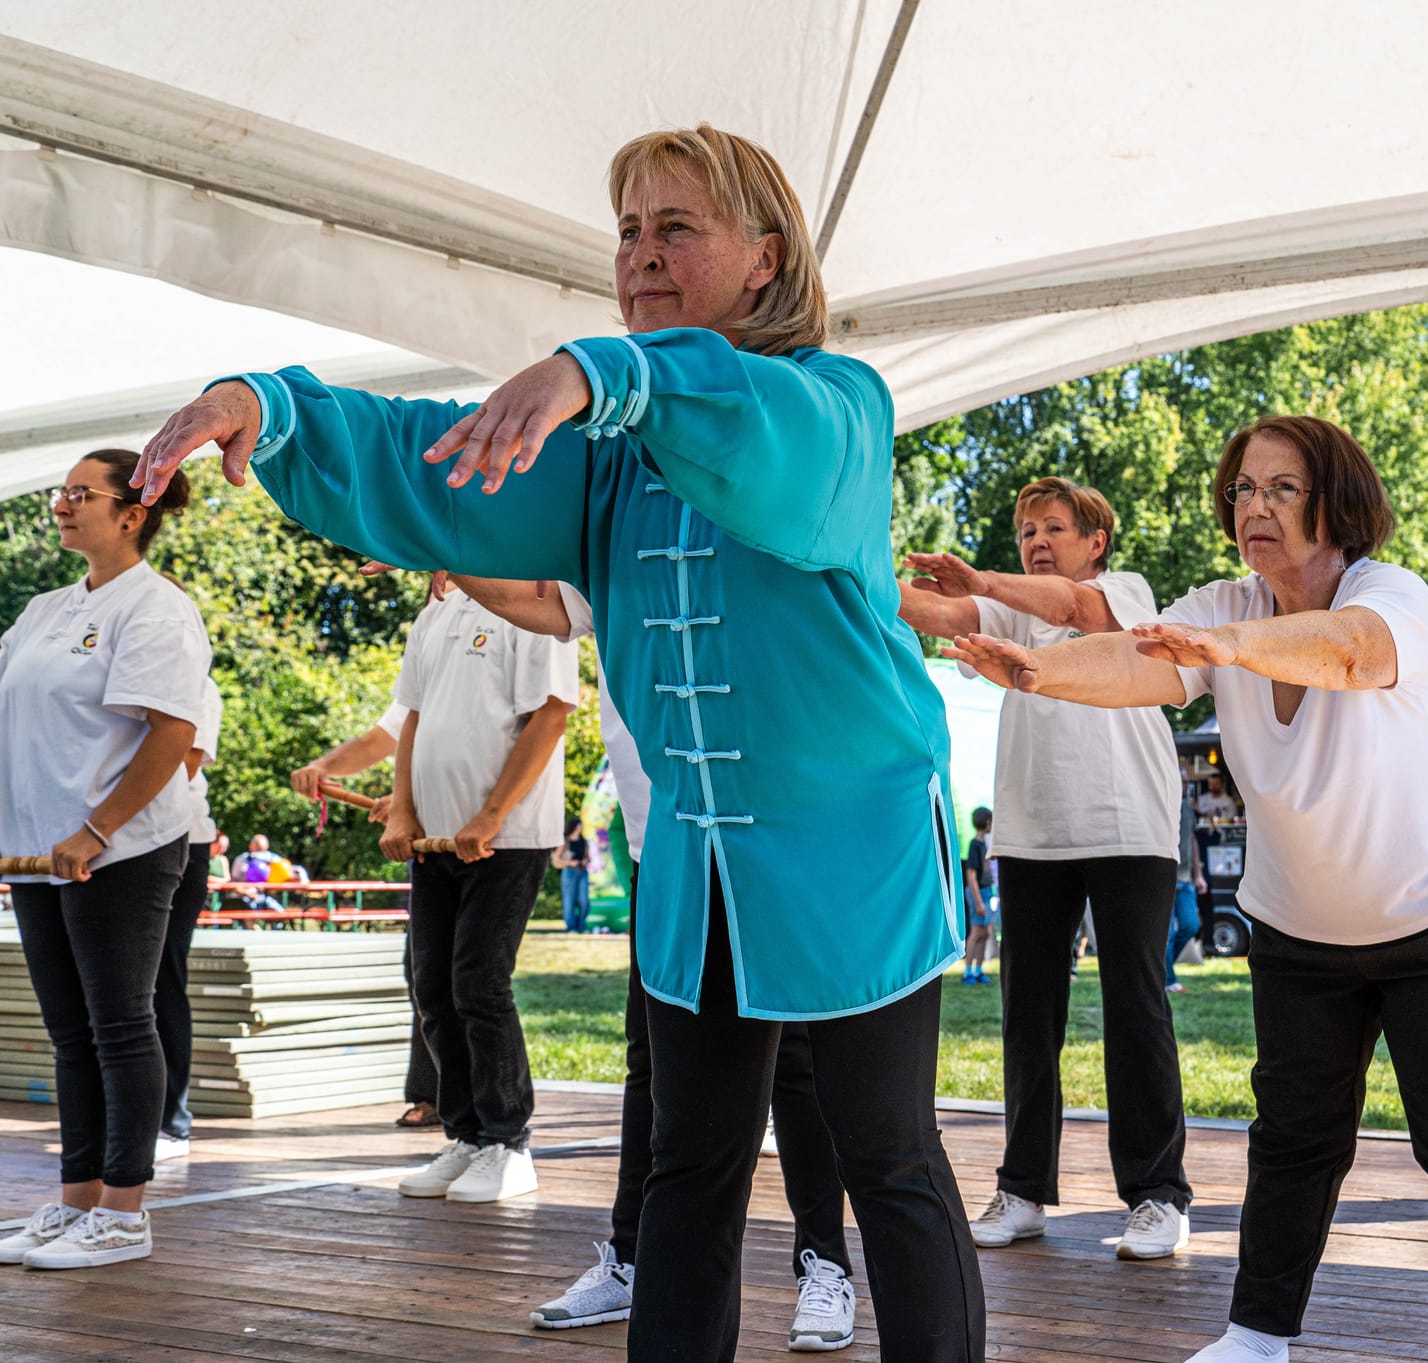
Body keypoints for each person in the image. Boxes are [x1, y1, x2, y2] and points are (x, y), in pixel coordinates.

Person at [134, 123, 984, 1361]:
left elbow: (770, 452)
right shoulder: (608, 454)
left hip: (855, 849)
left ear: (764, 256)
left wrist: (600, 373)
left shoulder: (838, 402)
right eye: (628, 231)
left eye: (674, 227)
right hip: (699, 865)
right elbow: (436, 457)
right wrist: (268, 403)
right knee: (686, 1166)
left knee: (888, 1160)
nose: (639, 253)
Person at [949, 415, 1428, 1363]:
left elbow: (1348, 650)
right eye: (1243, 490)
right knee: (1295, 1142)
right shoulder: (1225, 603)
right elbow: (1140, 659)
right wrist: (1039, 671)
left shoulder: (1393, 594)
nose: (1253, 506)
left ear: (1335, 501)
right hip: (1300, 925)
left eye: (1280, 489)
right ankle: (1257, 1337)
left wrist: (1228, 647)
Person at [435, 571, 869, 1349]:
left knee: (796, 1062)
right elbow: (529, 594)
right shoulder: (617, 532)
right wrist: (425, 533)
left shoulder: (740, 519)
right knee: (653, 1061)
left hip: (766, 838)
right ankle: (634, 1261)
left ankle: (823, 1264)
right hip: (663, 848)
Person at [900, 477, 1192, 1261]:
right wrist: (842, 568)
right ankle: (1024, 1189)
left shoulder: (1125, 590)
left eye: (1053, 527)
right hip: (1031, 835)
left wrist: (987, 581)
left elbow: (1076, 610)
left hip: (1130, 828)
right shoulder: (1007, 610)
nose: (1036, 538)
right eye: (1026, 527)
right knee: (1028, 1016)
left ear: (1094, 542)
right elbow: (936, 612)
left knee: (1136, 1006)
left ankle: (1158, 1195)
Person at [0, 449, 210, 1270]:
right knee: (70, 1031)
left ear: (133, 513)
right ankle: (74, 1198)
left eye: (79, 493)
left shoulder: (156, 610)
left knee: (121, 1024)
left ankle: (124, 1211)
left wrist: (97, 828)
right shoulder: (46, 608)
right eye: (61, 491)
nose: (61, 504)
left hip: (117, 848)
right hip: (36, 852)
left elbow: (172, 733)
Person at [376, 576, 577, 1203]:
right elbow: (412, 717)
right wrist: (402, 811)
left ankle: (507, 1142)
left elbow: (552, 713)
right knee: (430, 982)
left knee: (478, 983)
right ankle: (464, 1135)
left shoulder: (532, 601)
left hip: (504, 839)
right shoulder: (434, 612)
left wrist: (491, 815)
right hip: (435, 839)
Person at [293, 700, 439, 1129]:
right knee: (423, 972)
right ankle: (435, 1095)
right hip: (429, 842)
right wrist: (324, 767)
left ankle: (488, 1122)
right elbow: (381, 738)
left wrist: (409, 799)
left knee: (474, 983)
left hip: (490, 836)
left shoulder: (508, 643)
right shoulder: (427, 652)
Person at [154, 672, 224, 1164]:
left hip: (178, 840)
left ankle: (170, 1124)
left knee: (160, 978)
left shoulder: (195, 683)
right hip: (102, 843)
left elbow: (184, 762)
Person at [1163, 789, 1209, 994]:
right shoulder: (1162, 800)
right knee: (1168, 933)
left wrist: (1198, 875)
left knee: (1191, 925)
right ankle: (1168, 980)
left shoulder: (1186, 808)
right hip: (1164, 877)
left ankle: (1164, 966)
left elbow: (1192, 840)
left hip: (1185, 878)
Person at [960, 806, 996, 984]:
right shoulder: (974, 845)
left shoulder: (985, 845)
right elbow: (971, 876)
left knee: (986, 933)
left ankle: (978, 970)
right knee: (976, 933)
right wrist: (979, 901)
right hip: (978, 893)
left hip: (987, 893)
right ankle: (967, 972)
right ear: (988, 822)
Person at [558, 815, 592, 932]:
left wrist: (585, 860)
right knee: (569, 900)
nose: (581, 827)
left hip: (582, 871)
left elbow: (588, 857)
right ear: (574, 826)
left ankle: (581, 926)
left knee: (584, 900)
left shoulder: (584, 841)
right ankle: (571, 927)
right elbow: (557, 859)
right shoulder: (565, 841)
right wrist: (570, 862)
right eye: (579, 825)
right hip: (569, 872)